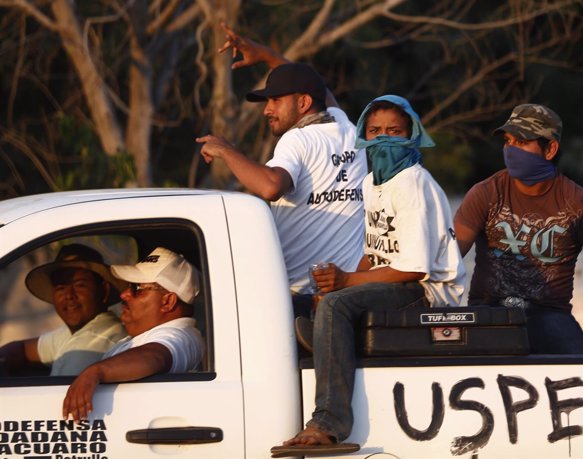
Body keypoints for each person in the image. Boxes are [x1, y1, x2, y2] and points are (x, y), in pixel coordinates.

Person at [280, 95, 466, 452]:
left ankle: (329, 421)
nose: (383, 138)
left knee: (336, 306)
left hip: (431, 292)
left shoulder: (413, 182)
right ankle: (322, 338)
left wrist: (345, 284)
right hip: (394, 280)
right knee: (307, 302)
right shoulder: (371, 184)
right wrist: (339, 283)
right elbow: (375, 250)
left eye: (394, 131)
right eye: (375, 130)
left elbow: (413, 269)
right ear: (363, 135)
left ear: (412, 135)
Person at [196, 26, 367, 315]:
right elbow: (318, 89)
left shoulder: (297, 138)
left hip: (301, 297)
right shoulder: (345, 126)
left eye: (275, 100)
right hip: (346, 293)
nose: (266, 110)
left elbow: (271, 187)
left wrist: (226, 150)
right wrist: (266, 55)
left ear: (302, 103)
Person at [453, 103, 583, 354]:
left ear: (550, 149)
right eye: (508, 141)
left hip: (548, 314)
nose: (511, 149)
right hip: (488, 311)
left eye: (522, 142)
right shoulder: (486, 193)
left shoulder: (581, 205)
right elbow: (450, 257)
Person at [62, 247, 205, 421]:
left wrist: (94, 373)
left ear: (168, 301)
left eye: (137, 288)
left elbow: (155, 356)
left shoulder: (181, 336)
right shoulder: (157, 334)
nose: (124, 294)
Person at [0, 244, 127, 376]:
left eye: (80, 285)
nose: (69, 295)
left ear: (103, 291)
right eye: (61, 287)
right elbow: (23, 348)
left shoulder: (91, 344)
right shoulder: (87, 330)